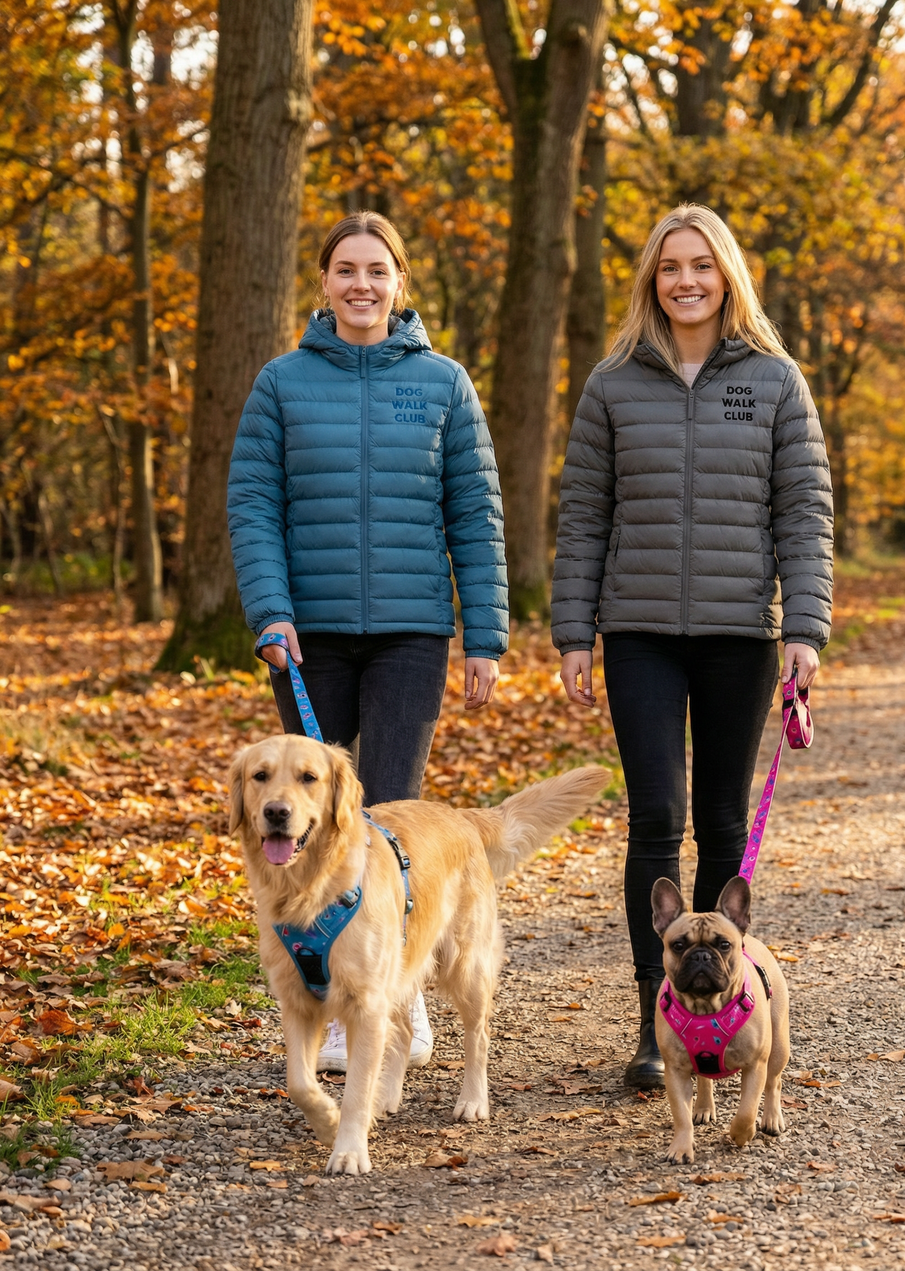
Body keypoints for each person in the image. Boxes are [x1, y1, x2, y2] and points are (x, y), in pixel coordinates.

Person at [551, 204, 833, 1088]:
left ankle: (729, 1016)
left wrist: (804, 627)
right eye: (670, 266)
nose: (686, 280)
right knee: (655, 820)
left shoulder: (775, 381)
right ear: (651, 279)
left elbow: (805, 511)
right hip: (636, 631)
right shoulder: (612, 384)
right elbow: (583, 515)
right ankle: (660, 1022)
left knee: (720, 820)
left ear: (727, 276)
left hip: (738, 633)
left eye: (701, 266)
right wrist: (572, 632)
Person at [228, 211, 508, 1073]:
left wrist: (484, 636)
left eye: (377, 271)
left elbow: (476, 511)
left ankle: (398, 987)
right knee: (310, 818)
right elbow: (253, 506)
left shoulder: (444, 383)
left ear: (399, 282)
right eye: (346, 270)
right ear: (324, 284)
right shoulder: (281, 383)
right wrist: (270, 610)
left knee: (386, 810)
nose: (361, 284)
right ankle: (339, 999)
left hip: (412, 632)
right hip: (306, 638)